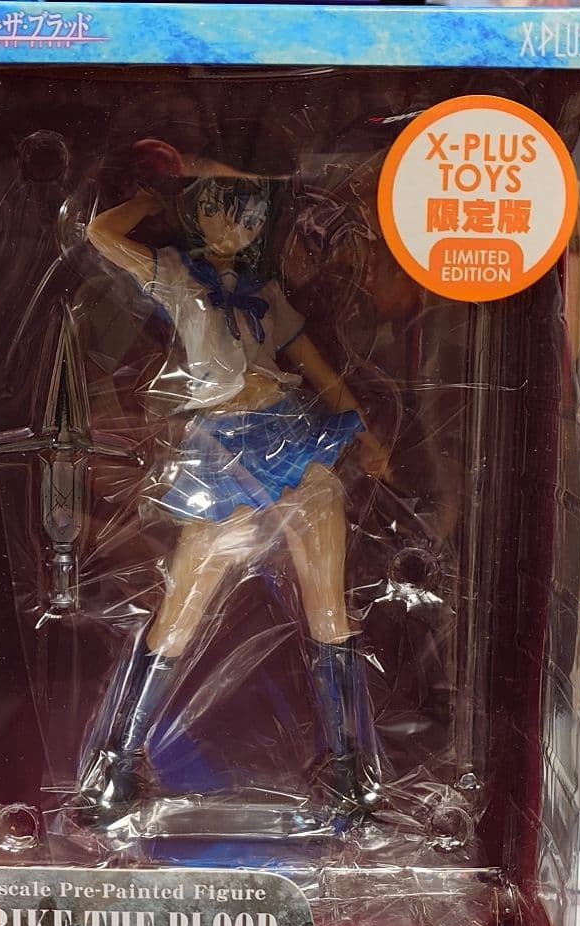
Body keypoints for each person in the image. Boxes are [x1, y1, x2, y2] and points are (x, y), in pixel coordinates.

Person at [86, 146, 391, 819]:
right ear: (197, 212)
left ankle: (347, 767)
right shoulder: (174, 274)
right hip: (222, 450)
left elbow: (318, 367)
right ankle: (120, 763)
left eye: (251, 214)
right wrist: (150, 202)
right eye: (225, 209)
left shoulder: (266, 294)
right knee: (179, 613)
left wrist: (365, 435)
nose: (239, 225)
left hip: (292, 436)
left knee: (330, 610)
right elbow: (100, 234)